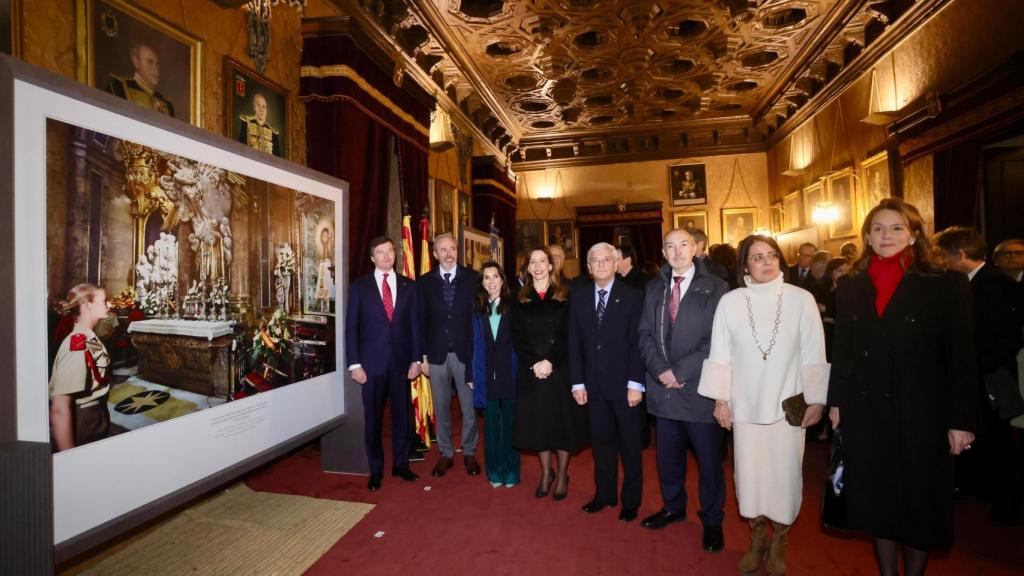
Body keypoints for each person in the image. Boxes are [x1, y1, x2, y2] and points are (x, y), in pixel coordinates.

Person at [828, 199, 979, 576]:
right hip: (868, 412)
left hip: (923, 411)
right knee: (879, 500)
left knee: (920, 503)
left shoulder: (946, 282)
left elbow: (961, 356)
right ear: (866, 235)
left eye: (896, 228)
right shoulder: (849, 284)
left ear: (914, 234)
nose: (886, 236)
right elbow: (843, 350)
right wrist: (837, 404)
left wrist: (962, 420)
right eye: (877, 228)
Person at [698, 234, 829, 576]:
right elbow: (720, 355)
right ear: (745, 265)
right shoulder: (731, 302)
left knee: (784, 476)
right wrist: (721, 401)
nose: (767, 262)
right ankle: (758, 540)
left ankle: (780, 543)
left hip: (789, 405)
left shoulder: (802, 299)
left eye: (772, 255)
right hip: (745, 405)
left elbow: (815, 353)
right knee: (750, 476)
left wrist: (816, 400)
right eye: (757, 257)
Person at [637, 229, 729, 551]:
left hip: (698, 391)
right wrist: (661, 371)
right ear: (663, 252)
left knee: (708, 461)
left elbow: (719, 341)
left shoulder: (716, 288)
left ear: (695, 248)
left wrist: (679, 371)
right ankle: (674, 507)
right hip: (663, 390)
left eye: (683, 244)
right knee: (668, 460)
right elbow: (645, 335)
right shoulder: (653, 288)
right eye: (670, 245)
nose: (676, 250)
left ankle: (713, 520)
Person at [934, 225, 1023, 525]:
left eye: (943, 257)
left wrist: (970, 367)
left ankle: (1006, 503)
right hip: (968, 375)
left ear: (960, 254)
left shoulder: (999, 285)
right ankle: (976, 487)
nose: (940, 263)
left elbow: (1005, 339)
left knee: (999, 442)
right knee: (974, 436)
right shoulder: (957, 283)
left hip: (990, 377)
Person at [569, 243, 645, 521]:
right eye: (594, 261)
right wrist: (577, 383)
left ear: (616, 264)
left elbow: (639, 344)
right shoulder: (578, 298)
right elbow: (574, 344)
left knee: (630, 445)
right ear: (588, 268)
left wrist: (636, 383)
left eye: (606, 260)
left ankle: (631, 501)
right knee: (601, 444)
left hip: (626, 387)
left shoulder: (634, 296)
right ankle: (605, 494)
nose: (600, 265)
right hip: (593, 386)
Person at [510, 247, 588, 501]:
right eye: (533, 262)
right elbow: (517, 336)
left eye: (543, 261)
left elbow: (571, 334)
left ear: (551, 266)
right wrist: (535, 363)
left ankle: (563, 474)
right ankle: (546, 473)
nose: (538, 266)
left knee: (561, 425)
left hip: (560, 370)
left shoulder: (567, 294)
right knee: (540, 425)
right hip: (532, 372)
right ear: (528, 267)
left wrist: (550, 362)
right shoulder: (519, 297)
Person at [345, 237, 422, 491]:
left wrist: (416, 359)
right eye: (381, 252)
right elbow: (351, 328)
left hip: (401, 363)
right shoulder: (359, 288)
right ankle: (375, 470)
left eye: (390, 251)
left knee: (402, 417)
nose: (387, 256)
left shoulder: (409, 287)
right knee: (373, 420)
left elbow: (415, 326)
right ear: (372, 257)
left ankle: (401, 465)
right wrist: (354, 364)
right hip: (371, 364)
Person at [419, 233, 481, 477]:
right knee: (442, 407)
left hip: (466, 354)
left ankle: (469, 452)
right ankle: (445, 453)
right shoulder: (424, 283)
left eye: (452, 249)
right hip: (435, 355)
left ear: (458, 251)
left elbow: (478, 318)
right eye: (443, 250)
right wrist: (421, 356)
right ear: (435, 254)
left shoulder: (473, 279)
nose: (448, 254)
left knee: (468, 407)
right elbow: (420, 321)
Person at [470, 262, 520, 488]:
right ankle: (494, 470)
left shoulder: (515, 306)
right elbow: (472, 345)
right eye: (486, 278)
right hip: (485, 374)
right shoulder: (477, 309)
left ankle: (510, 471)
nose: (491, 281)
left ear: (502, 280)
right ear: (482, 283)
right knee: (490, 428)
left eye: (495, 276)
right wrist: (470, 375)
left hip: (510, 373)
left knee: (511, 424)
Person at [50, 283, 113, 452]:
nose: (110, 305)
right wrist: (69, 458)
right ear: (86, 305)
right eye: (104, 301)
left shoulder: (89, 339)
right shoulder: (77, 346)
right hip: (84, 421)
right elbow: (59, 410)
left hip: (96, 416)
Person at [108, 43, 175, 117]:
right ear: (136, 62)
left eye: (157, 64)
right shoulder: (119, 87)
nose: (156, 69)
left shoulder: (167, 104)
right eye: (149, 62)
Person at [237, 92, 282, 157]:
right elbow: (240, 149)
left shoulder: (273, 133)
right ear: (253, 107)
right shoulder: (246, 123)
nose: (261, 109)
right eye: (258, 105)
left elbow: (277, 159)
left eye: (264, 107)